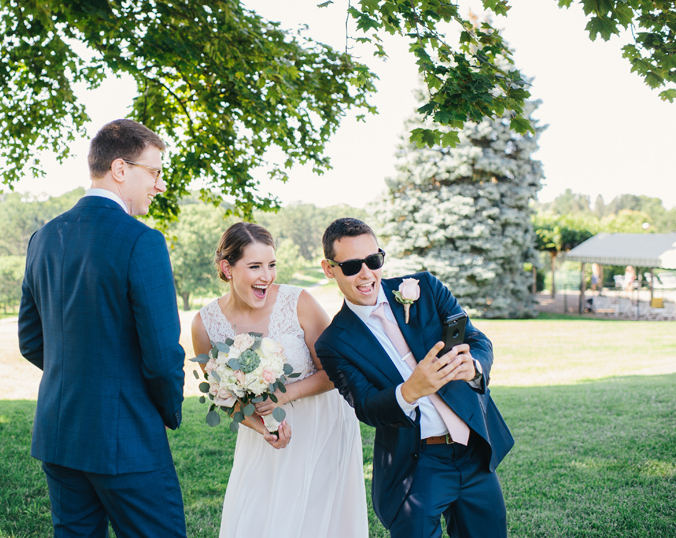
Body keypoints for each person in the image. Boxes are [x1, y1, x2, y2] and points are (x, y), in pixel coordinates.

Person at [19, 119, 187, 538]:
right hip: (126, 435)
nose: (160, 184)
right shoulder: (141, 241)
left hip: (59, 430)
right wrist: (166, 411)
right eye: (155, 171)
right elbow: (163, 356)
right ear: (120, 169)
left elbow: (30, 340)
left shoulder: (43, 237)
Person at [315, 218, 514, 538]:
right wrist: (410, 391)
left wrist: (474, 366)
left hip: (473, 454)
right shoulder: (334, 343)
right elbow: (366, 406)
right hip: (416, 466)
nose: (367, 274)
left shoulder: (425, 287)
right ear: (329, 269)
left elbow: (477, 341)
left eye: (373, 261)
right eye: (352, 266)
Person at [191, 222, 368, 538]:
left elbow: (337, 372)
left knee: (316, 521)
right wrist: (263, 429)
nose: (267, 276)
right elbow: (222, 394)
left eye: (271, 265)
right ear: (227, 268)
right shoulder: (205, 324)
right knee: (261, 518)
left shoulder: (297, 301)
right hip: (265, 434)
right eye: (255, 266)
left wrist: (283, 395)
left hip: (322, 424)